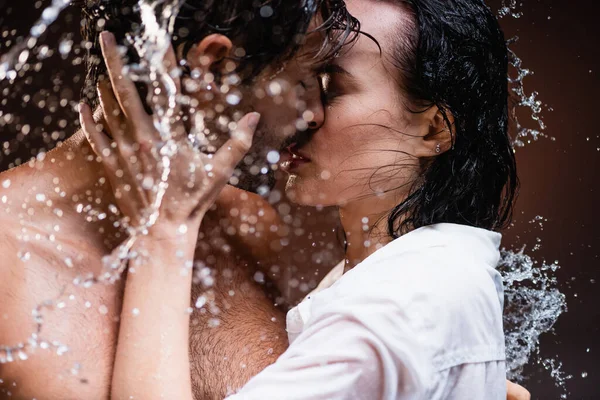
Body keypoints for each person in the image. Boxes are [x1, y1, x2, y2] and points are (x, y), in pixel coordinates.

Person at [85, 0, 532, 399]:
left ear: (433, 129)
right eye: (302, 77)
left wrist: (165, 229)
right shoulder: (408, 292)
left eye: (331, 84)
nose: (307, 113)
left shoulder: (397, 310)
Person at [0, 1, 356, 398]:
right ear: (213, 66)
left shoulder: (247, 223)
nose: (314, 114)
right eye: (304, 78)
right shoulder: (7, 255)